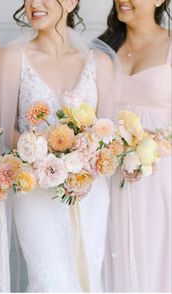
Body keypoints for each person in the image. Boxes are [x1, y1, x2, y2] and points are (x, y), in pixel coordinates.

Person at [0, 0, 118, 292]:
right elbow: (1, 130)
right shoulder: (12, 57)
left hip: (90, 191)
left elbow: (109, 133)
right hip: (37, 190)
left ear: (72, 1)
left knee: (89, 275)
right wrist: (40, 152)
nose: (35, 4)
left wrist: (85, 156)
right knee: (50, 281)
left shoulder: (99, 62)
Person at [99, 0, 171, 291]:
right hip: (109, 175)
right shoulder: (100, 49)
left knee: (153, 257)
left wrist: (158, 144)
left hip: (160, 177)